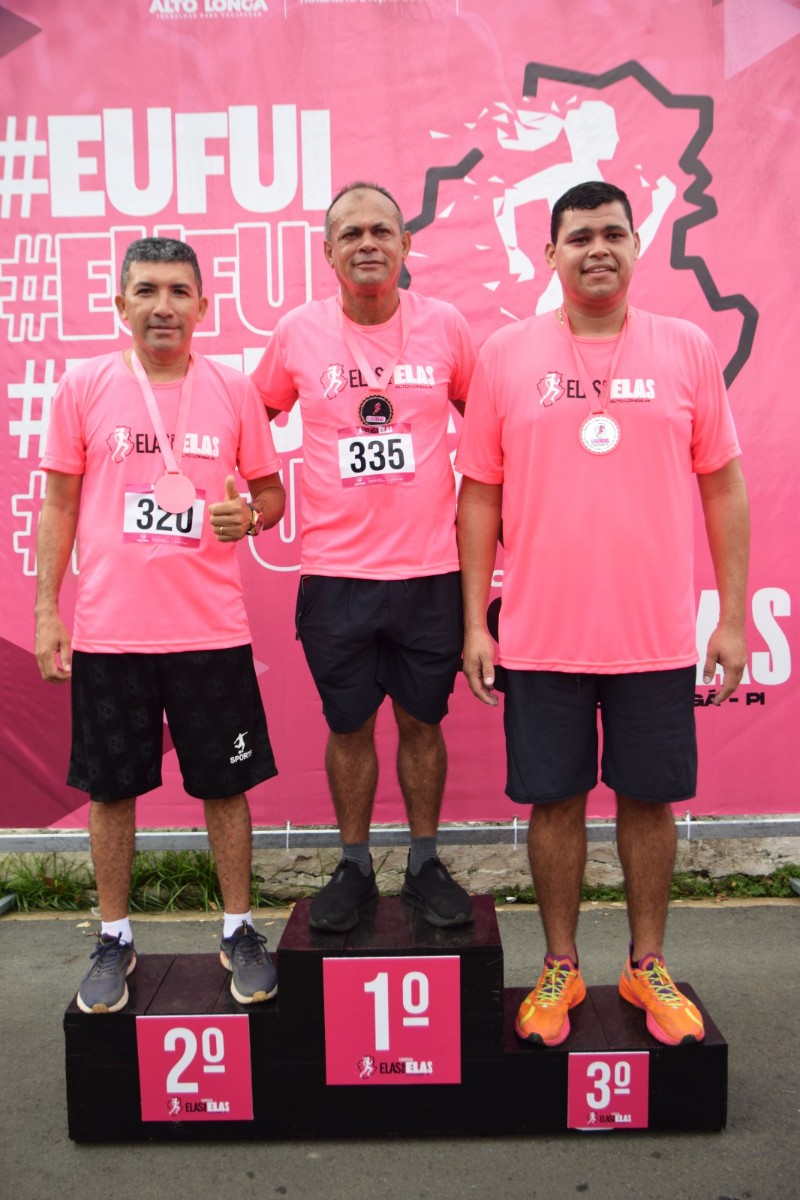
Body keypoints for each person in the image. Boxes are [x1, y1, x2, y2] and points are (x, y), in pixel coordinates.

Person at [456, 181, 749, 1047]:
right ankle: (560, 964)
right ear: (549, 254)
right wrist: (477, 622)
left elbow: (724, 485)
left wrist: (729, 617)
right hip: (543, 635)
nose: (597, 249)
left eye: (613, 233)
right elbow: (478, 496)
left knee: (648, 802)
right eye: (578, 236)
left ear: (636, 244)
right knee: (554, 803)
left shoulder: (686, 347)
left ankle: (646, 962)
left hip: (654, 634)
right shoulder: (506, 354)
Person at [35, 237, 286, 1013]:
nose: (164, 305)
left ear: (203, 306)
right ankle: (114, 936)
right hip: (113, 633)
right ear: (120, 304)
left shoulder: (233, 388)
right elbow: (61, 504)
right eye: (146, 290)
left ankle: (240, 928)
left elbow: (272, 497)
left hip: (211, 631)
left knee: (227, 788)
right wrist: (47, 609)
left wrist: (248, 514)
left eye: (179, 291)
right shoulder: (84, 385)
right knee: (112, 792)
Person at [251, 182, 476, 932]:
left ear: (407, 245)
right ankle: (352, 864)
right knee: (348, 725)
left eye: (382, 230)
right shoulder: (297, 334)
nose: (368, 244)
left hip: (428, 573)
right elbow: (251, 417)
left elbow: (491, 419)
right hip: (336, 575)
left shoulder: (445, 326)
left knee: (421, 721)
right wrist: (253, 492)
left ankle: (423, 861)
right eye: (351, 234)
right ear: (328, 253)